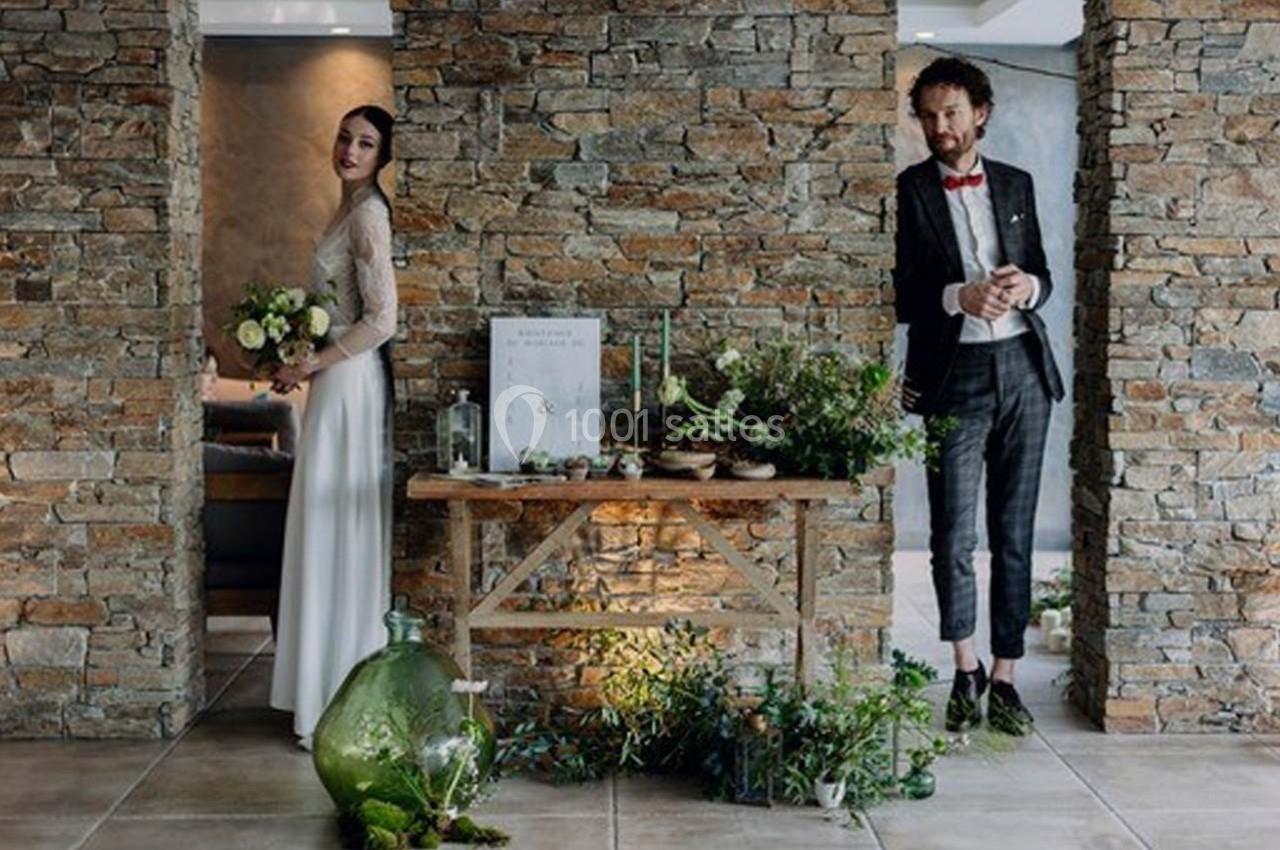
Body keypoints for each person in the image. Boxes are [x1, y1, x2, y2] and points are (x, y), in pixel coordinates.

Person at [893, 58, 1064, 736]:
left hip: (1024, 366)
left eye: (952, 113)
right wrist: (956, 297)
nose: (940, 127)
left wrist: (1030, 289)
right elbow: (902, 294)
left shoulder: (1017, 183)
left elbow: (1043, 272)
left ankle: (1006, 675)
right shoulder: (908, 191)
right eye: (929, 116)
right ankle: (965, 668)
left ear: (980, 113)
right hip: (953, 372)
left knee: (1013, 534)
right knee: (952, 534)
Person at [269, 104, 399, 749]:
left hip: (350, 385)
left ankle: (342, 699)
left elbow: (382, 319)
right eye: (345, 138)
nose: (350, 150)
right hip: (332, 381)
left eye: (366, 143)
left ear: (383, 155)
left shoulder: (370, 215)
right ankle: (318, 692)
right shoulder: (346, 209)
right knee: (320, 527)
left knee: (337, 524)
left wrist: (313, 363)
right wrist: (300, 354)